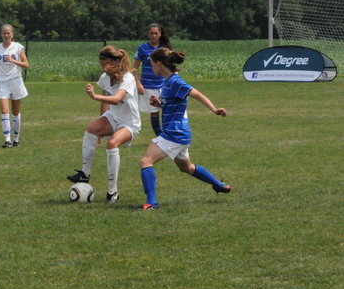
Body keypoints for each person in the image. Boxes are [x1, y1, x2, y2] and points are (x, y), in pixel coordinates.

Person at [138, 48, 231, 210]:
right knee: (186, 167)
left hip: (174, 133)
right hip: (180, 133)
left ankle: (151, 202)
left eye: (152, 64)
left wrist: (214, 109)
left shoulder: (175, 81)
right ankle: (218, 185)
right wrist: (159, 103)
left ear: (159, 63)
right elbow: (172, 104)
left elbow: (197, 94)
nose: (151, 68)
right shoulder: (167, 81)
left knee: (145, 161)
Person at [66, 46, 141, 203]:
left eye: (104, 64)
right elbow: (105, 101)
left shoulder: (127, 78)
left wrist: (94, 96)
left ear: (114, 62)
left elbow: (116, 99)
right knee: (92, 128)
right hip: (113, 117)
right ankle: (84, 174)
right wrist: (101, 126)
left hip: (129, 122)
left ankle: (112, 191)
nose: (103, 68)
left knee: (112, 143)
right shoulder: (105, 77)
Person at [0, 24, 29, 148]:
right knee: (4, 111)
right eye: (4, 33)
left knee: (15, 112)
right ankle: (7, 140)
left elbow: (26, 64)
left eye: (8, 33)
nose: (6, 35)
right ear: (1, 34)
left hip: (15, 82)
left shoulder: (18, 47)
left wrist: (13, 60)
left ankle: (16, 139)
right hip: (1, 82)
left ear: (12, 34)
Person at [133, 23, 172, 136]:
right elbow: (135, 68)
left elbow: (171, 66)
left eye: (156, 33)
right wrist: (138, 83)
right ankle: (159, 136)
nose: (154, 35)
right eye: (152, 33)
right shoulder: (142, 48)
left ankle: (167, 135)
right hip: (148, 85)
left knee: (167, 110)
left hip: (164, 84)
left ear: (160, 34)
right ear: (148, 34)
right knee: (154, 112)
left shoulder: (165, 48)